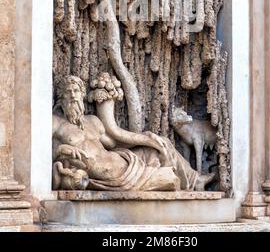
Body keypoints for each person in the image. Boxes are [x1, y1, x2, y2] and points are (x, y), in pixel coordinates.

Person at [52, 74, 214, 191]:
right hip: (109, 175)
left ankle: (195, 180)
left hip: (120, 160)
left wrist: (146, 139)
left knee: (161, 143)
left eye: (76, 91)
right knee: (169, 179)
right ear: (60, 99)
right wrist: (60, 150)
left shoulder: (93, 121)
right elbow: (40, 154)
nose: (73, 96)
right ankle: (171, 179)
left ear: (82, 95)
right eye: (68, 92)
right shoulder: (56, 123)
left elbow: (115, 142)